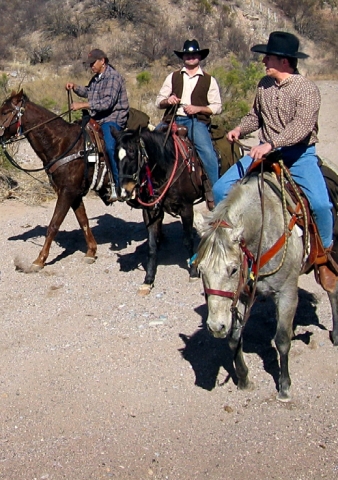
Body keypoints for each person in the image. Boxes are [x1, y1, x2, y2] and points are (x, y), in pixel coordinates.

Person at [213, 31, 336, 292]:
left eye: (267, 57)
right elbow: (255, 116)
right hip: (265, 153)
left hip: (299, 155)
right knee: (220, 188)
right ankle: (231, 246)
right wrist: (239, 129)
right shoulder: (263, 85)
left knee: (321, 204)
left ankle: (324, 256)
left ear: (284, 61)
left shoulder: (307, 89)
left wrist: (271, 143)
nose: (263, 61)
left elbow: (302, 126)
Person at [155, 39, 222, 187]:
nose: (190, 57)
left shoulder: (209, 80)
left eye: (194, 55)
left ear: (199, 57)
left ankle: (214, 189)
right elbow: (158, 101)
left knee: (207, 153)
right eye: (187, 55)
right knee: (150, 143)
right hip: (172, 119)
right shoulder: (173, 76)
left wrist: (198, 109)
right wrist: (168, 100)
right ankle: (146, 186)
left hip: (196, 121)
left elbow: (217, 107)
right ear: (183, 57)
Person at [66, 48, 129, 201]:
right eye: (89, 64)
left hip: (113, 118)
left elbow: (107, 103)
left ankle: (118, 184)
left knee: (109, 146)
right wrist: (75, 87)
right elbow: (89, 91)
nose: (91, 66)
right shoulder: (97, 78)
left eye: (93, 63)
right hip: (98, 118)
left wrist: (83, 105)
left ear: (103, 61)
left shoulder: (113, 77)